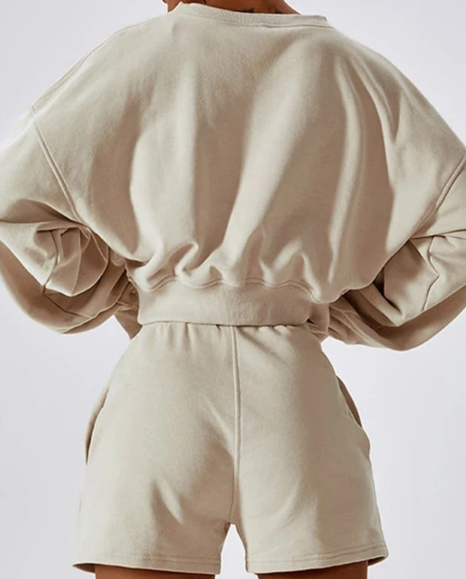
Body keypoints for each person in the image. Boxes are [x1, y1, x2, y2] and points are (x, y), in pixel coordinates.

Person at [0, 0, 465, 578]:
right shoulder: (352, 70)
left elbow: (15, 200)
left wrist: (136, 293)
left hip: (161, 395)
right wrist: (328, 303)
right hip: (295, 391)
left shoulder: (137, 56)